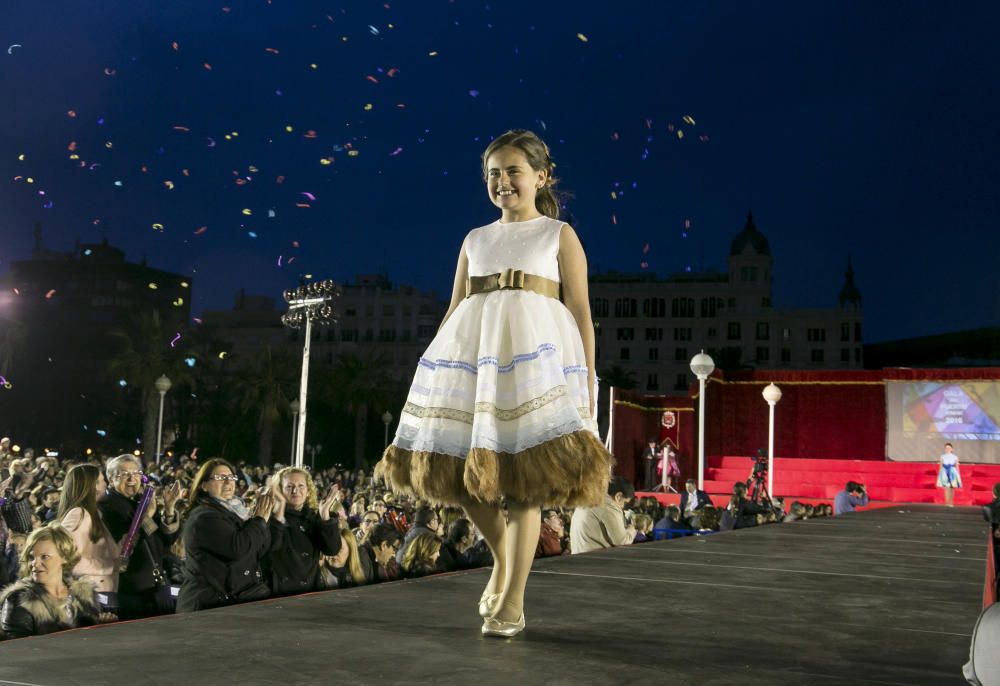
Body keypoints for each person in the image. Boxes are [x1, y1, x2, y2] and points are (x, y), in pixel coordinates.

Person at [375, 129, 613, 638]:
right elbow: (456, 305)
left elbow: (581, 312)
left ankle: (515, 599)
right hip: (476, 368)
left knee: (525, 486)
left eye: (513, 172)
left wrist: (588, 378)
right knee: (463, 477)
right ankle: (505, 558)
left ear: (541, 177)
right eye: (494, 174)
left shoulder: (558, 235)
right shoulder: (474, 239)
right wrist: (430, 369)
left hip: (533, 370)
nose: (503, 182)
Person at [176, 458, 274, 612]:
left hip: (230, 600)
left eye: (231, 477)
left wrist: (260, 521)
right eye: (221, 478)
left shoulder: (237, 511)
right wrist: (259, 520)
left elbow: (259, 548)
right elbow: (238, 548)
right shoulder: (204, 516)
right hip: (208, 605)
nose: (228, 482)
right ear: (204, 485)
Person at [98, 454, 182, 619]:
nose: (132, 479)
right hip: (129, 591)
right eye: (124, 474)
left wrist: (170, 509)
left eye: (136, 473)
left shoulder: (141, 501)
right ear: (111, 480)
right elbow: (124, 548)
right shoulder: (106, 508)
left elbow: (166, 541)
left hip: (154, 587)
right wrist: (146, 517)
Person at [0, 524, 106, 639]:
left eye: (44, 556)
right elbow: (16, 651)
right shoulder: (20, 600)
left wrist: (103, 627)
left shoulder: (85, 595)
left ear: (64, 557)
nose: (35, 563)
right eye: (31, 557)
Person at [265, 466, 343, 596]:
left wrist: (324, 515)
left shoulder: (313, 518)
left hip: (310, 590)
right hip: (278, 593)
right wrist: (278, 517)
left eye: (301, 486)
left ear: (308, 491)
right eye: (289, 486)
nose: (295, 491)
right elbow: (270, 548)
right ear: (280, 490)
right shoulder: (269, 516)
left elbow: (332, 549)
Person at [57, 464, 121, 595]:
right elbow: (70, 561)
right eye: (102, 480)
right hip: (90, 595)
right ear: (93, 485)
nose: (106, 484)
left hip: (99, 593)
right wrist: (109, 565)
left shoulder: (93, 513)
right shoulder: (79, 514)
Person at [570, 476, 636, 554]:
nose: (623, 508)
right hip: (595, 560)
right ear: (618, 496)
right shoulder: (608, 505)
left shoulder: (590, 499)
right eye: (625, 503)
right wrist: (632, 530)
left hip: (579, 556)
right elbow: (622, 541)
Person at [937, 443, 962, 507]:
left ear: (952, 449)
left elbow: (957, 467)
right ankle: (947, 503)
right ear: (945, 449)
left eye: (949, 448)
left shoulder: (955, 457)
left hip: (952, 473)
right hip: (945, 472)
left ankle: (951, 502)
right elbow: (941, 466)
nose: (947, 449)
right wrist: (940, 475)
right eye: (946, 448)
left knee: (952, 488)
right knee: (947, 488)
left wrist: (958, 476)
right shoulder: (942, 456)